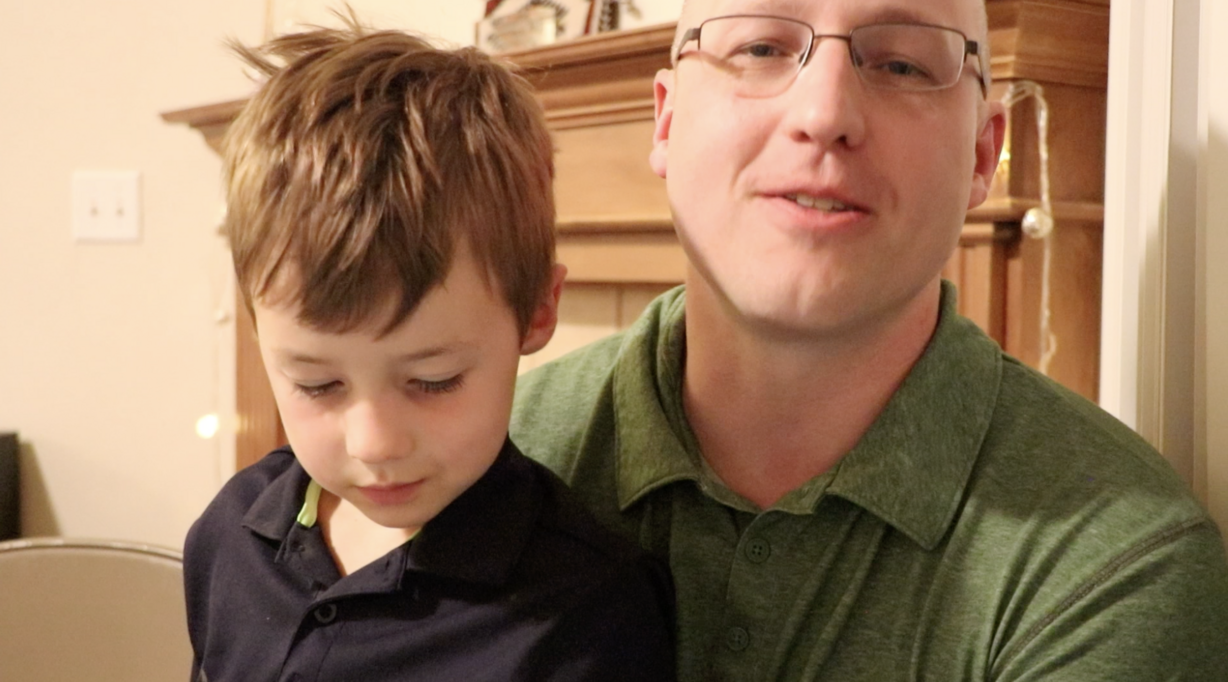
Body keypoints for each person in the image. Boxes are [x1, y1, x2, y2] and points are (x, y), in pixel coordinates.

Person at [510, 0, 1228, 679]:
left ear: (983, 156)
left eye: (903, 64)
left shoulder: (1120, 565)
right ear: (666, 122)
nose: (824, 114)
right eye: (759, 47)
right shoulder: (496, 450)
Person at [183, 20, 675, 682]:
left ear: (537, 311)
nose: (375, 444)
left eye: (434, 379)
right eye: (318, 385)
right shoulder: (230, 531)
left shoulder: (589, 614)